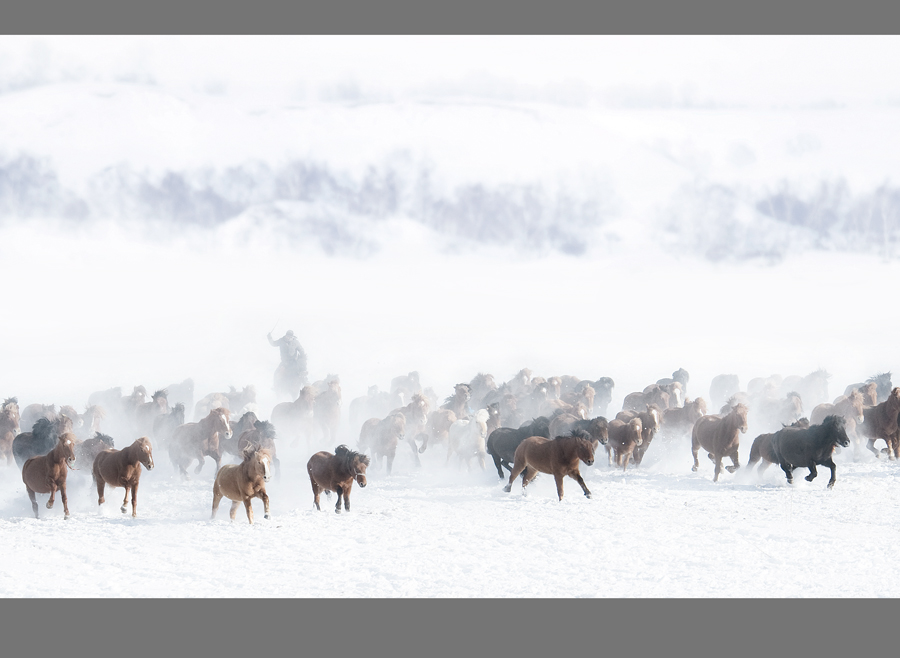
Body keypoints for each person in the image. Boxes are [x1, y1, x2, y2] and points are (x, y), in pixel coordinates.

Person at [268, 330, 308, 395]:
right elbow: (273, 343)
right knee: (276, 373)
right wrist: (269, 337)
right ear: (286, 335)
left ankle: (306, 384)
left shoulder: (295, 342)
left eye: (290, 336)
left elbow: (301, 350)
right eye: (287, 336)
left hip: (294, 363)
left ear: (292, 337)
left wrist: (302, 357)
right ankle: (276, 387)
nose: (288, 338)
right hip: (284, 363)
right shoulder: (281, 341)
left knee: (302, 372)